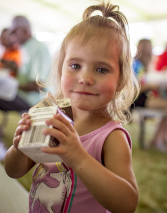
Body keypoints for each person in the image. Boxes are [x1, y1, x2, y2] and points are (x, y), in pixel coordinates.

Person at [4, 1, 139, 213]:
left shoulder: (111, 137)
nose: (85, 78)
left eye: (102, 69)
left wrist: (79, 157)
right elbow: (13, 171)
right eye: (75, 66)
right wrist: (19, 147)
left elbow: (127, 204)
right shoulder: (53, 119)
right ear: (60, 70)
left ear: (120, 80)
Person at [0, 15, 51, 112]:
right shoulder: (24, 48)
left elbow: (39, 86)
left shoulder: (38, 48)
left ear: (24, 31)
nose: (12, 36)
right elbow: (24, 72)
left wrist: (12, 86)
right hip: (22, 95)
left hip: (34, 101)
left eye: (14, 32)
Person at [132, 39, 167, 152]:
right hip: (135, 99)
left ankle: (157, 139)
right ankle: (157, 140)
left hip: (143, 97)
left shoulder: (145, 64)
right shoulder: (136, 64)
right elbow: (134, 88)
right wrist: (152, 85)